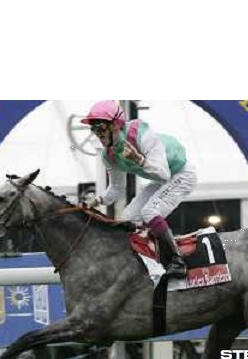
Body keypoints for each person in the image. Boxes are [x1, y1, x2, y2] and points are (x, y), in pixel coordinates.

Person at [81, 100, 197, 278]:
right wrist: (96, 201)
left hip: (181, 175)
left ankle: (177, 260)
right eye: (94, 129)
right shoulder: (109, 155)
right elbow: (116, 188)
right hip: (160, 180)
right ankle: (146, 259)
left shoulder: (143, 136)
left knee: (149, 211)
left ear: (115, 125)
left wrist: (139, 160)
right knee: (128, 217)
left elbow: (164, 174)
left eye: (101, 128)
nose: (97, 134)